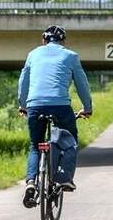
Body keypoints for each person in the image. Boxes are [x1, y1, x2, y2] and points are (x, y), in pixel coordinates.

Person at [17, 24, 93, 207]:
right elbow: (82, 84)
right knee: (70, 141)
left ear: (44, 40)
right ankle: (63, 178)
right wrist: (87, 107)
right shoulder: (71, 56)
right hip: (60, 106)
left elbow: (23, 81)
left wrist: (22, 105)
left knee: (35, 146)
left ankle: (31, 183)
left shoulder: (33, 54)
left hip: (35, 106)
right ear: (63, 42)